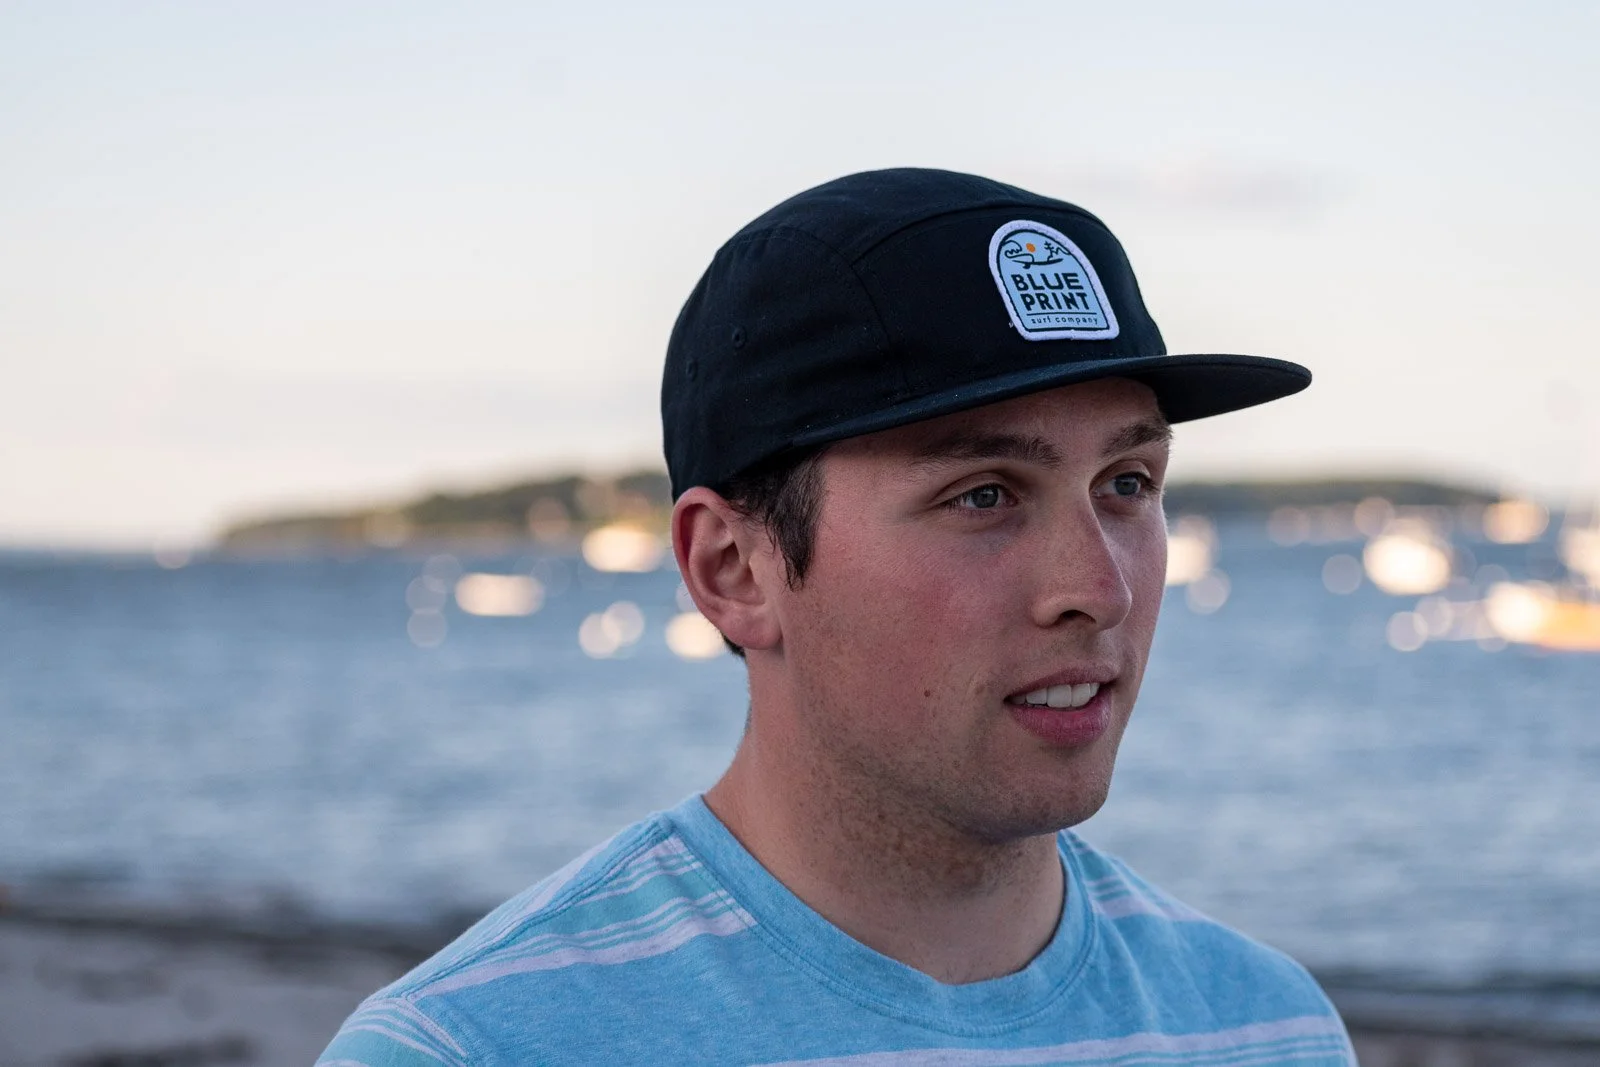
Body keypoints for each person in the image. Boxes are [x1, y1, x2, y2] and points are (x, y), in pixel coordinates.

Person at [318, 168, 1356, 1065]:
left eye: (1127, 483)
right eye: (983, 494)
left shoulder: (1267, 1028)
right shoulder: (473, 1047)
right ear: (734, 569)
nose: (1100, 586)